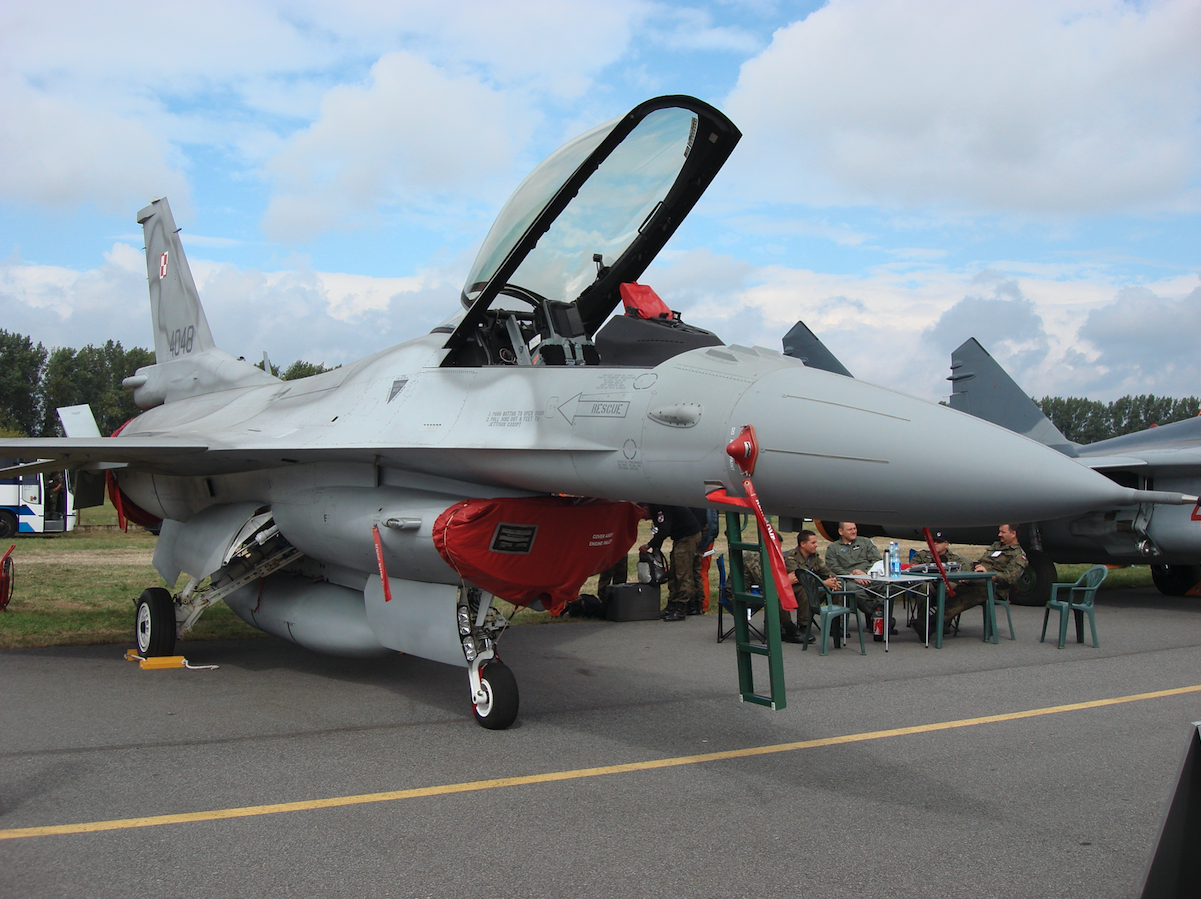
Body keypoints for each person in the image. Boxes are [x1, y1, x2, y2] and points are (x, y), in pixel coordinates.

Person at [925, 523, 1027, 634]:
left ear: (1013, 534)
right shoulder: (996, 546)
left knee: (963, 597)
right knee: (952, 591)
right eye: (1000, 531)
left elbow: (1010, 578)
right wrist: (968, 572)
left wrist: (989, 574)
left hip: (994, 588)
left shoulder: (1018, 555)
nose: (999, 534)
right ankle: (939, 625)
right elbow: (981, 562)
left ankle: (929, 625)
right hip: (977, 581)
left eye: (1003, 532)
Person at [640, 506, 702, 622]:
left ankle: (681, 607)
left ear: (645, 508)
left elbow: (664, 531)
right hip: (682, 537)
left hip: (687, 537)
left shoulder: (661, 508)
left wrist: (649, 545)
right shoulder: (658, 508)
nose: (644, 519)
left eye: (642, 515)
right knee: (673, 571)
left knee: (682, 573)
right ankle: (675, 604)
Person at [823, 522, 883, 621]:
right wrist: (851, 576)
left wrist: (865, 573)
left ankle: (881, 616)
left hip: (868, 576)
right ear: (840, 531)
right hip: (849, 580)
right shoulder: (833, 548)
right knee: (853, 590)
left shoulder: (866, 542)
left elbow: (877, 560)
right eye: (850, 529)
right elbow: (833, 567)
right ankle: (875, 614)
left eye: (854, 528)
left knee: (888, 587)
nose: (854, 531)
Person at [785, 530, 841, 638]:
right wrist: (824, 583)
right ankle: (804, 626)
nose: (816, 545)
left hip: (813, 588)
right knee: (805, 590)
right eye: (813, 543)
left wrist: (833, 580)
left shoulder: (814, 557)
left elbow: (825, 571)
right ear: (803, 544)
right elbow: (800, 578)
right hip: (795, 591)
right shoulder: (791, 557)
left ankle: (835, 624)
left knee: (835, 588)